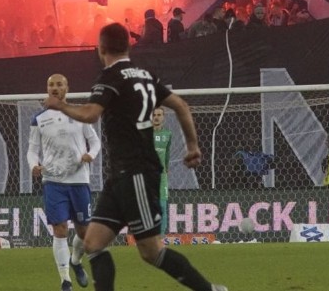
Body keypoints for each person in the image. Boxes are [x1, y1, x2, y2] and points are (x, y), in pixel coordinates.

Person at [43, 22, 227, 291]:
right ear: (129, 45)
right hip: (120, 176)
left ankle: (208, 290)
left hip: (137, 172)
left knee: (151, 251)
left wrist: (60, 105)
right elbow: (181, 106)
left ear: (101, 48)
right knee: (93, 244)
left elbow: (91, 114)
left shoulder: (110, 77)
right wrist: (192, 146)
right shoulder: (145, 74)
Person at [28, 73, 100, 291]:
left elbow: (95, 142)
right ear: (47, 89)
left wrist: (91, 155)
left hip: (78, 180)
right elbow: (32, 150)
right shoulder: (38, 119)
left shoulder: (79, 114)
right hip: (53, 181)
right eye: (51, 85)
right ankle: (65, 280)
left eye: (59, 84)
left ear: (67, 88)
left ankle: (75, 261)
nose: (55, 88)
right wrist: (34, 165)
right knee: (59, 230)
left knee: (84, 234)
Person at [152, 107, 172, 235]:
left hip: (162, 176)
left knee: (163, 206)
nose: (156, 117)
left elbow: (168, 153)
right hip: (148, 176)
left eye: (159, 114)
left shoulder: (168, 134)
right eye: (154, 114)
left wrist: (166, 167)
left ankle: (161, 236)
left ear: (163, 117)